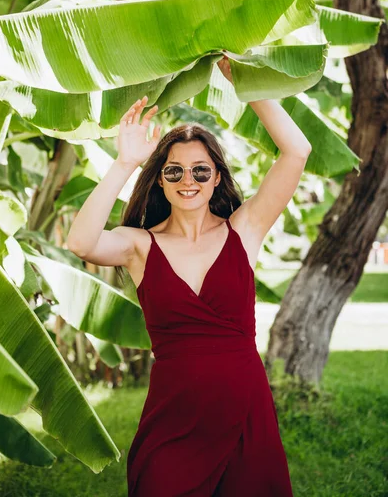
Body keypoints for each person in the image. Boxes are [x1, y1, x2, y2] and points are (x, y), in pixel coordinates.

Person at [67, 58, 312, 496]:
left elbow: (297, 152)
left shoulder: (244, 230)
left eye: (201, 170)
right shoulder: (139, 246)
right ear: (160, 181)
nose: (188, 181)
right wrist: (125, 163)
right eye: (174, 171)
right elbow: (82, 243)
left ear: (216, 178)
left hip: (245, 412)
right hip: (174, 418)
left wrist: (249, 85)